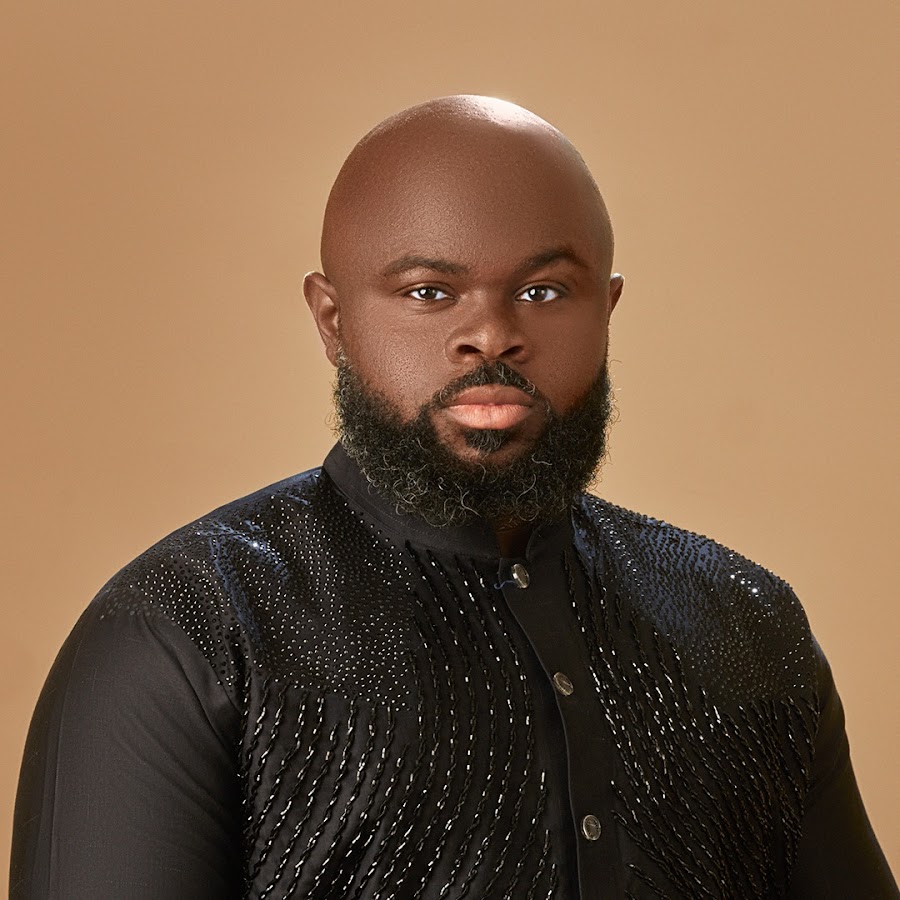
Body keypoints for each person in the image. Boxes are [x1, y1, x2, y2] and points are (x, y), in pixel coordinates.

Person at [10, 95, 896, 899]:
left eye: (543, 291)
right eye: (429, 292)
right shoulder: (183, 635)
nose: (492, 336)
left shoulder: (748, 625)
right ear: (333, 321)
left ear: (607, 308)